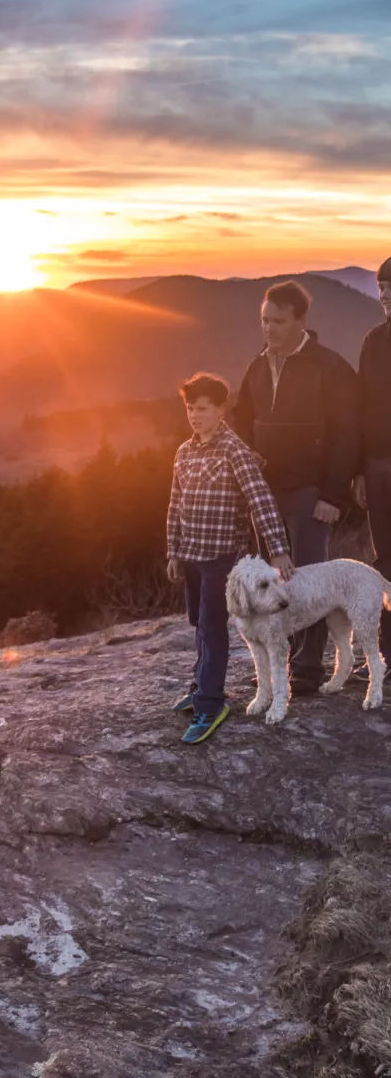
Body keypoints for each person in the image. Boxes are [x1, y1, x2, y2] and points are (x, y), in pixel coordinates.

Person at [232, 280, 358, 693]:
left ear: (301, 321)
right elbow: (241, 420)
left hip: (310, 493)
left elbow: (346, 435)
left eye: (278, 321)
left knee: (306, 582)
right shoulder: (257, 364)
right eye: (264, 320)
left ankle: (307, 669)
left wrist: (332, 495)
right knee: (271, 583)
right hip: (265, 496)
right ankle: (276, 665)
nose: (269, 329)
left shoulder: (329, 367)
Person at [167, 373, 293, 745]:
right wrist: (173, 551)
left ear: (221, 410)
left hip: (222, 558)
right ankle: (200, 684)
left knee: (212, 626)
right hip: (191, 554)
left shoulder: (234, 451)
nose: (195, 416)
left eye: (202, 409)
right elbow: (175, 505)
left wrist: (278, 550)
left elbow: (260, 501)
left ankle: (211, 702)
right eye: (190, 408)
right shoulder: (184, 452)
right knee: (199, 624)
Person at [352, 257, 391, 681]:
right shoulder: (373, 341)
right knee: (385, 564)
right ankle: (385, 657)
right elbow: (360, 409)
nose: (385, 295)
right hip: (378, 465)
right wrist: (360, 468)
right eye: (382, 287)